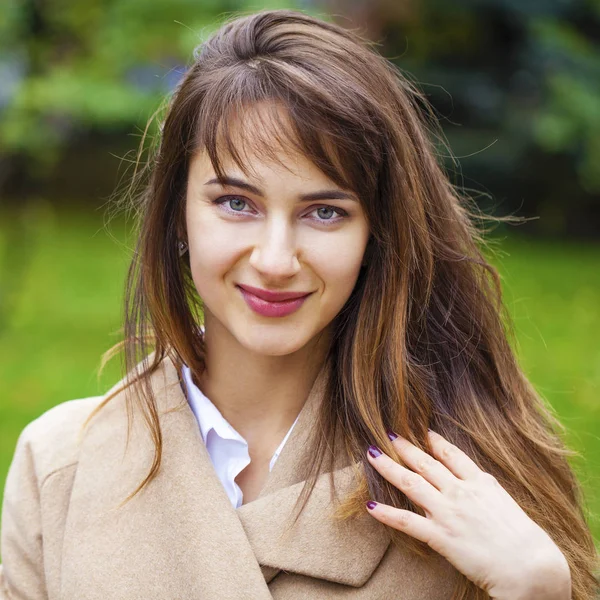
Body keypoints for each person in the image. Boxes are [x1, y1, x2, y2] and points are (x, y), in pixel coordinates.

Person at [1, 8, 598, 600]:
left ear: (376, 236)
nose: (276, 259)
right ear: (177, 213)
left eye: (325, 212)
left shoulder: (473, 487)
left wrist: (538, 590)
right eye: (236, 203)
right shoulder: (60, 467)